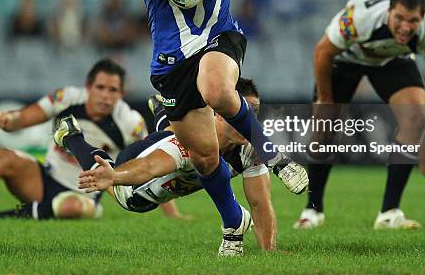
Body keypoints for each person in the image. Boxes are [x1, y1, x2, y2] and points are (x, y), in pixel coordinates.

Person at [105, 0, 342, 255]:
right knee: (204, 156)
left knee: (216, 88)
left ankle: (270, 152)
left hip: (221, 38)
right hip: (171, 63)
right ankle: (233, 225)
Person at [55, 78, 278, 252]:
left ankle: (163, 110)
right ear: (219, 114)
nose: (250, 122)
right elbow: (149, 167)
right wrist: (114, 177)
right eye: (241, 113)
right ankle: (70, 136)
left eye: (255, 113)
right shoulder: (187, 146)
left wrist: (269, 253)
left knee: (177, 131)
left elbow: (260, 203)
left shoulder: (250, 149)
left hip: (173, 150)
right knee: (110, 176)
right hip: (136, 183)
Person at [296, 0, 425, 230]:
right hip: (345, 58)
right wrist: (326, 100)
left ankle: (389, 213)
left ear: (422, 18)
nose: (405, 26)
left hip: (391, 60)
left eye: (413, 20)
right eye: (399, 18)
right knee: (324, 127)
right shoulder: (360, 16)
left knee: (415, 117)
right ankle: (312, 210)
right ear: (389, 11)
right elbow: (322, 51)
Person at [0, 58, 148, 220]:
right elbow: (26, 118)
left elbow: (149, 163)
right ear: (88, 87)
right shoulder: (67, 97)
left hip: (82, 194)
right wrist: (7, 120)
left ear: (122, 94)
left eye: (113, 90)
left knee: (70, 208)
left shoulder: (130, 122)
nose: (106, 96)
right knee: (5, 156)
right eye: (101, 87)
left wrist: (167, 208)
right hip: (46, 179)